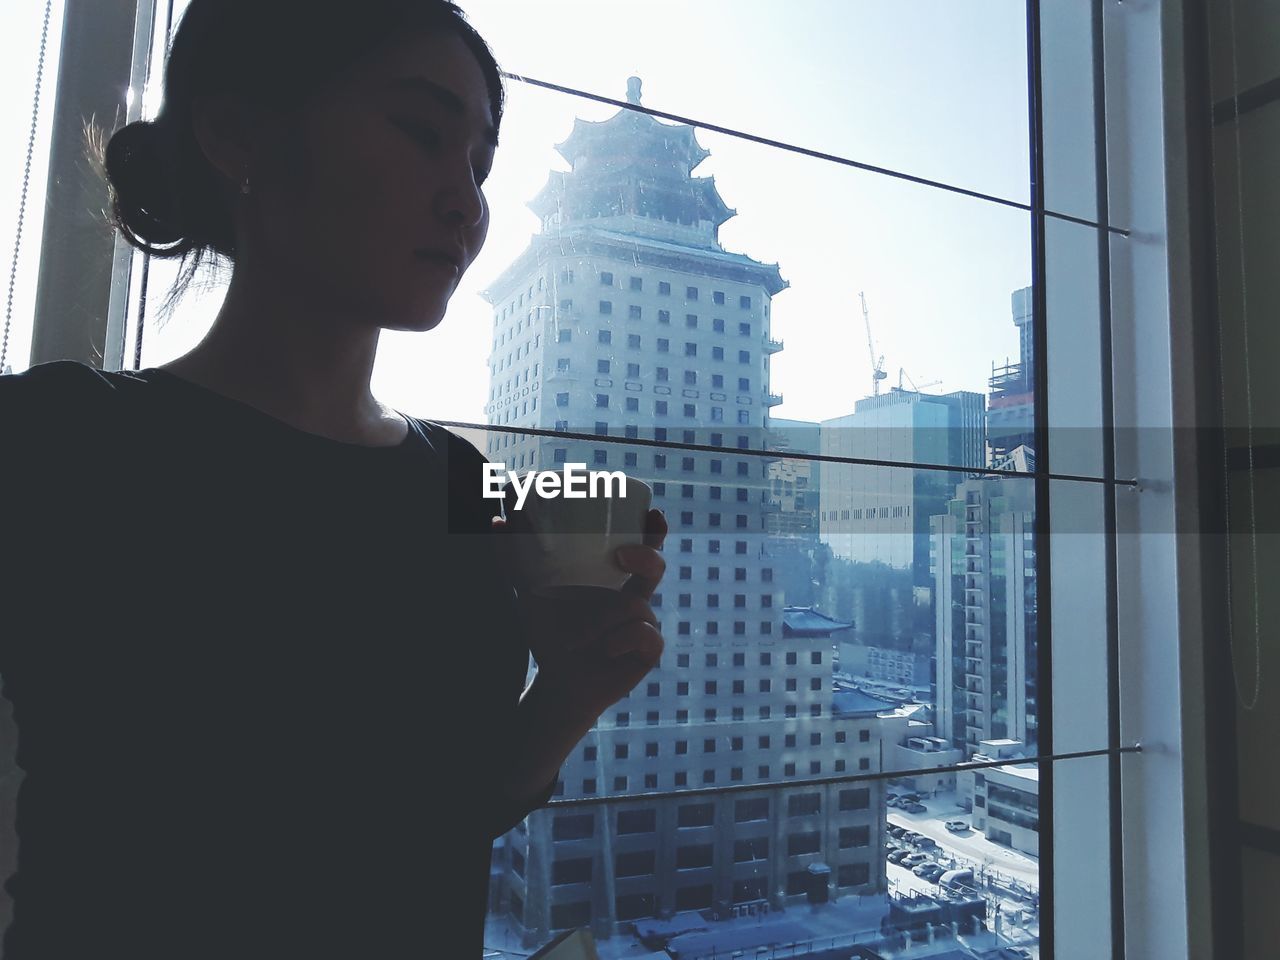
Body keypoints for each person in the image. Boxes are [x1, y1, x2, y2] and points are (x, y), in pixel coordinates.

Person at [0, 1, 667, 955]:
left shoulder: (461, 481)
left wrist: (566, 697)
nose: (468, 200)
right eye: (421, 132)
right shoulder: (59, 444)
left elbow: (418, 831)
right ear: (239, 131)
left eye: (478, 164)